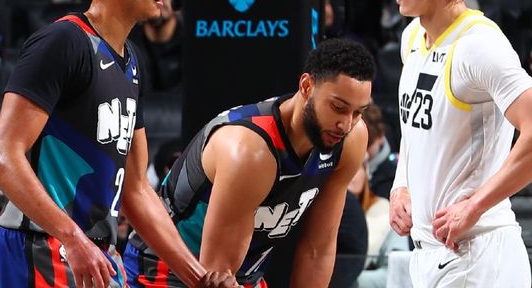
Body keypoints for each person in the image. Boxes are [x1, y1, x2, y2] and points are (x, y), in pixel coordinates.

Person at [0, 0, 239, 288]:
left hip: (99, 254)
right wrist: (72, 239)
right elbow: (1, 157)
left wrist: (199, 277)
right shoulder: (63, 42)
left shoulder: (132, 62)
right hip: (40, 246)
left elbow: (136, 190)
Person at [382, 0, 532, 287]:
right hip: (431, 253)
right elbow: (415, 129)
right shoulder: (413, 37)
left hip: (478, 254)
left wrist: (475, 204)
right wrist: (401, 184)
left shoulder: (479, 46)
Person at [124, 38, 374, 287]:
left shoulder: (351, 138)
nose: (346, 123)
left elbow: (317, 249)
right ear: (307, 86)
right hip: (165, 272)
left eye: (358, 112)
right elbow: (216, 277)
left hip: (241, 277)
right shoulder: (251, 151)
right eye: (338, 107)